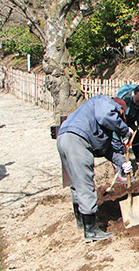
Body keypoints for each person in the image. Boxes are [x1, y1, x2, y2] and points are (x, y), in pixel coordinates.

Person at [57, 95, 134, 242]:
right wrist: (124, 130)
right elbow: (107, 116)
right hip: (77, 140)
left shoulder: (94, 119)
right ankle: (91, 231)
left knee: (77, 182)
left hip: (65, 138)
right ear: (120, 109)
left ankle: (81, 222)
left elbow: (106, 149)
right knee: (85, 183)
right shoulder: (104, 102)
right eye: (121, 115)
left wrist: (122, 163)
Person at [115, 84, 139, 162]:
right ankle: (119, 160)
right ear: (134, 94)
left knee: (137, 134)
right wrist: (124, 133)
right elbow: (118, 119)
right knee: (117, 139)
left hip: (132, 117)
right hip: (119, 120)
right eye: (137, 100)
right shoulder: (124, 100)